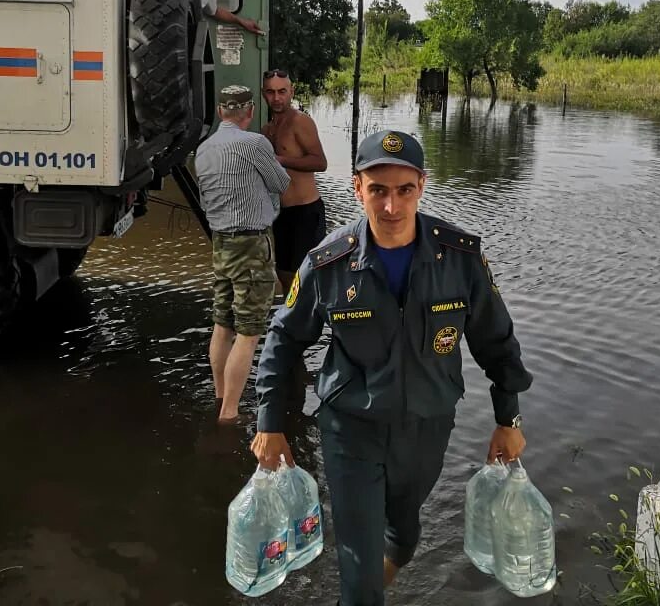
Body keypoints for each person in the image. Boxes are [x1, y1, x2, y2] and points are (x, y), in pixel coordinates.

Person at [250, 130, 534, 605]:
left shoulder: (460, 258)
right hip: (351, 430)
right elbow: (283, 338)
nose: (391, 207)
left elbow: (497, 342)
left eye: (404, 190)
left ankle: (394, 558)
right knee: (359, 576)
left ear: (422, 185)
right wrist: (270, 422)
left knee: (403, 532)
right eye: (378, 190)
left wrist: (509, 419)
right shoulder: (328, 264)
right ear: (357, 187)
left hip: (428, 426)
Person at [195, 85, 290, 425]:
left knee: (222, 325)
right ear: (249, 110)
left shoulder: (203, 150)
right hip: (251, 245)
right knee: (249, 332)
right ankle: (230, 414)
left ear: (221, 112)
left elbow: (206, 201)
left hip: (220, 244)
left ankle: (220, 396)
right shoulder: (254, 144)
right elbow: (281, 183)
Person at [261, 69, 329, 293]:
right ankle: (294, 322)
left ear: (292, 92)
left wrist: (280, 159)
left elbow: (320, 162)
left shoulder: (301, 122)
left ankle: (314, 324)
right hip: (281, 213)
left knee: (307, 276)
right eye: (271, 92)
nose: (277, 98)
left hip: (306, 212)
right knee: (283, 274)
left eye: (282, 91)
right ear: (264, 94)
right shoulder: (266, 130)